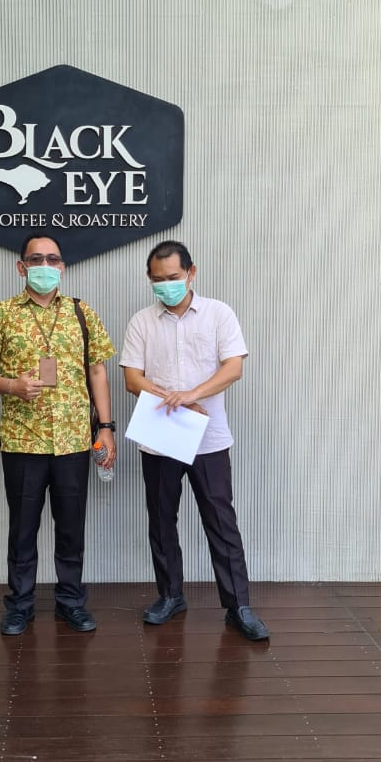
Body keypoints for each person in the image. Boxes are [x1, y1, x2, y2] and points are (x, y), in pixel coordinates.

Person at [0, 232, 116, 635]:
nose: (45, 266)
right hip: (22, 440)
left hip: (72, 440)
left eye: (53, 259)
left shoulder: (82, 313)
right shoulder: (1, 314)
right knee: (23, 528)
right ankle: (19, 605)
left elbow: (97, 371)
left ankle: (71, 602)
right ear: (21, 267)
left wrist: (106, 428)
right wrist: (11, 386)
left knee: (71, 527)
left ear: (63, 267)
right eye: (36, 260)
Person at [120, 240, 269, 641]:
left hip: (209, 437)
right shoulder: (142, 322)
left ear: (191, 273)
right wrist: (174, 398)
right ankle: (170, 596)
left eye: (173, 277)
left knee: (220, 520)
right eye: (158, 279)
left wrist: (190, 395)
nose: (166, 285)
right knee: (161, 519)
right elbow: (132, 378)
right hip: (160, 436)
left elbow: (233, 368)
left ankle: (238, 606)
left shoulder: (218, 313)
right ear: (149, 278)